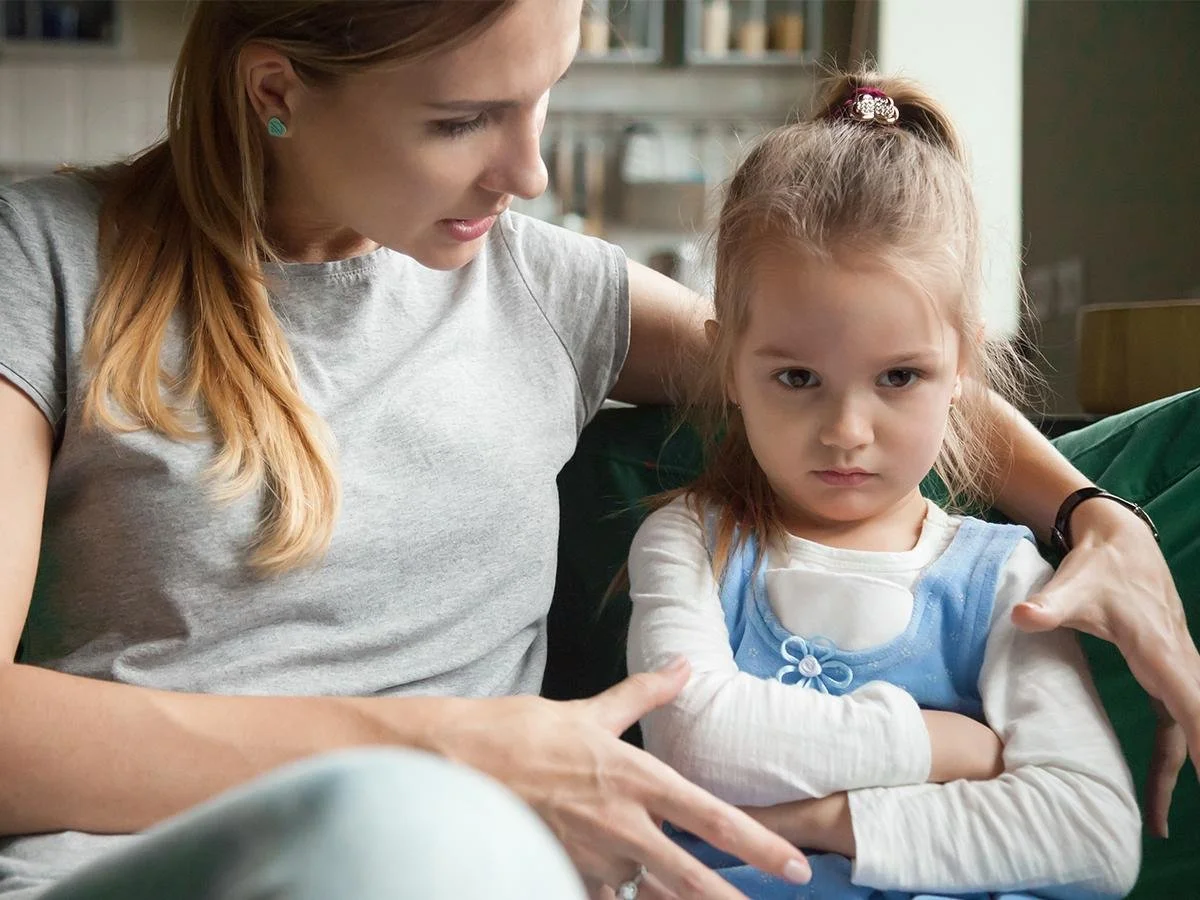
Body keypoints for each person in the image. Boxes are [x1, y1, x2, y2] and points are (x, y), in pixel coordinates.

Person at [0, 1, 1190, 897]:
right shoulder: (46, 262)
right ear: (277, 90)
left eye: (542, 99)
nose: (530, 174)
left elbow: (862, 365)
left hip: (494, 871)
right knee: (396, 835)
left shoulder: (543, 285)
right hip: (176, 864)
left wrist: (1092, 513)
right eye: (461, 119)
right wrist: (448, 749)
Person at [626, 75, 1143, 898]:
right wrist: (948, 748)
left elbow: (1094, 838)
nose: (847, 431)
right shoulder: (692, 541)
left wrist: (814, 821)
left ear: (963, 366)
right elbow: (697, 740)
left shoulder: (1007, 579)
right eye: (797, 376)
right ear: (729, 364)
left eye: (899, 376)